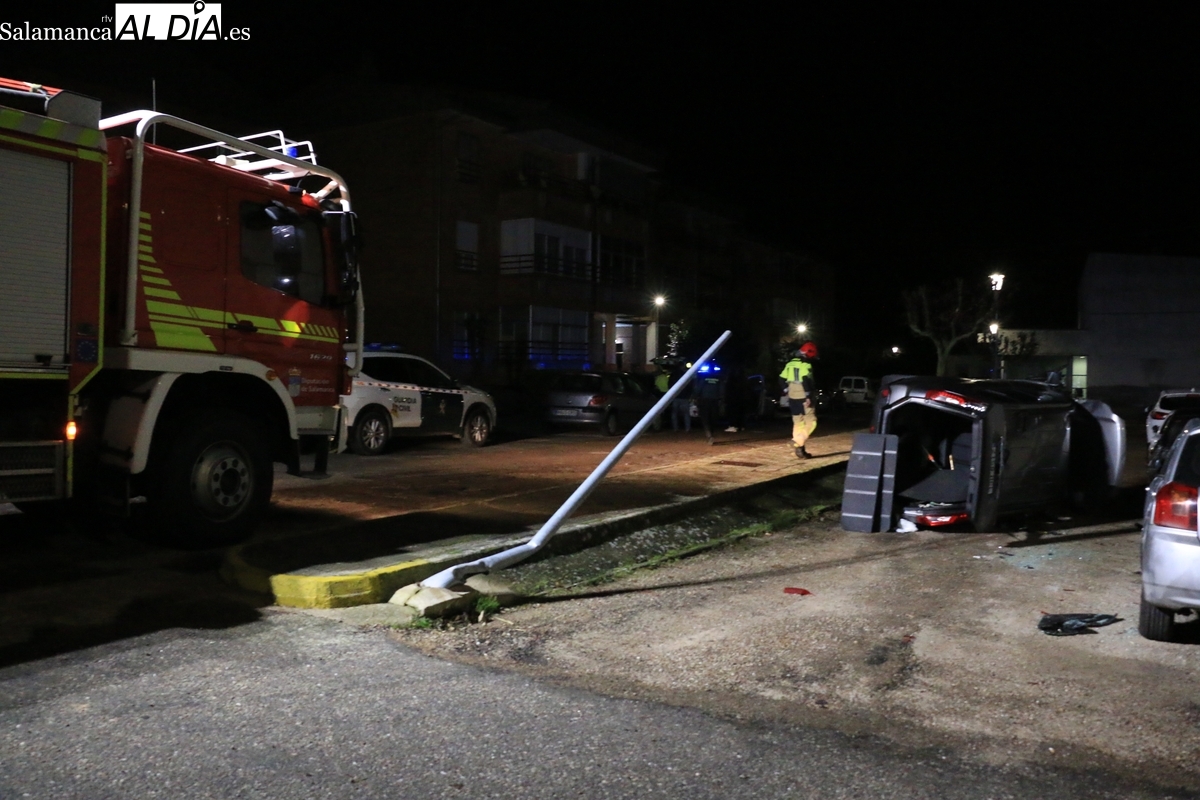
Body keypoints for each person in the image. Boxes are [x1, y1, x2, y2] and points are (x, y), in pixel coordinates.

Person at [780, 341, 818, 458]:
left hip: (792, 397)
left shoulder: (789, 364)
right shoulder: (806, 365)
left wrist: (787, 390)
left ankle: (800, 451)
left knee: (798, 423)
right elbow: (806, 380)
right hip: (803, 397)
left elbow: (781, 379)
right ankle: (797, 441)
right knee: (811, 422)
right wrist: (808, 396)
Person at [694, 363, 724, 444]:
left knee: (705, 418)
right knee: (713, 418)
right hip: (714, 401)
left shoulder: (704, 378)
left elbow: (698, 389)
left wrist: (695, 397)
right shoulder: (718, 378)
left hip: (704, 401)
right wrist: (721, 399)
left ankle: (709, 435)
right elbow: (721, 390)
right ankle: (711, 434)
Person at [671, 367, 692, 432]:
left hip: (676, 397)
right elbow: (690, 387)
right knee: (686, 413)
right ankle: (687, 428)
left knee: (674, 413)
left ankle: (675, 428)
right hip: (684, 397)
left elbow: (670, 385)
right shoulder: (686, 376)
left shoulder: (673, 376)